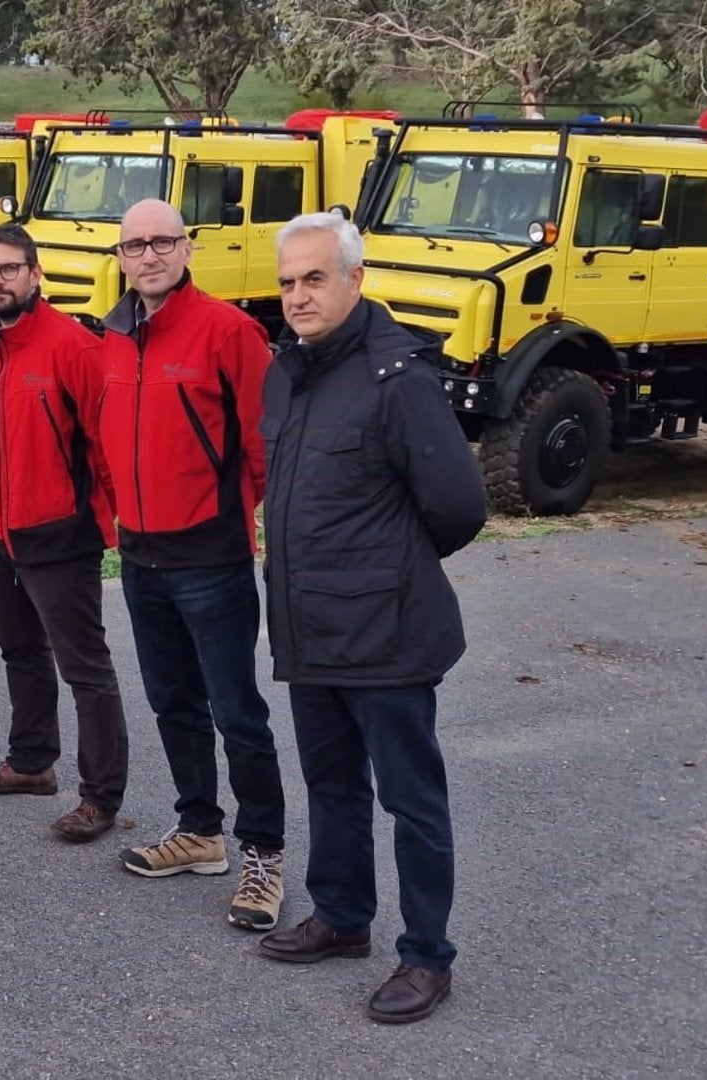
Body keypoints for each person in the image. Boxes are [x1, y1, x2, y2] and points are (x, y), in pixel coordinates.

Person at [255, 211, 485, 1025]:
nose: (298, 295)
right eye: (287, 281)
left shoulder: (400, 377)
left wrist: (384, 571)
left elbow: (458, 506)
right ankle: (343, 915)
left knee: (411, 800)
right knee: (330, 783)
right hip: (310, 628)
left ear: (355, 280)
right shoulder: (287, 372)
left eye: (315, 278)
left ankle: (427, 956)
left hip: (386, 634)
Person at [97, 199, 285, 931]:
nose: (149, 256)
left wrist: (226, 510)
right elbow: (106, 439)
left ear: (187, 247)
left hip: (211, 556)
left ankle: (263, 852)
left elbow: (264, 446)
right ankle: (201, 830)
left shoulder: (229, 332)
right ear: (119, 256)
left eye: (163, 242)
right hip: (142, 557)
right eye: (135, 245)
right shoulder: (111, 337)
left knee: (239, 713)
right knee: (173, 703)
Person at [0, 223, 129, 844]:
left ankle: (101, 797)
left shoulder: (74, 347)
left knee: (87, 669)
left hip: (58, 533)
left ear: (35, 273)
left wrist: (117, 528)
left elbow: (106, 447)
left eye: (8, 269)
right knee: (20, 653)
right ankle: (31, 763)